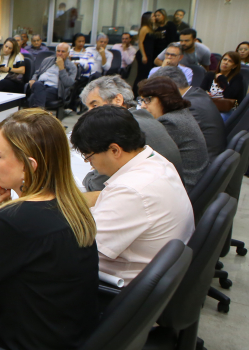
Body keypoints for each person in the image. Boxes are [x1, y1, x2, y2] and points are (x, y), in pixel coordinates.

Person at [0, 108, 98, 350]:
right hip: (66, 336)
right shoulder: (72, 203)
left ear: (29, 166)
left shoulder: (16, 221)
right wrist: (10, 200)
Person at [70, 105, 193, 284]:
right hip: (159, 276)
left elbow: (78, 248)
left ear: (114, 150)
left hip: (117, 287)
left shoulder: (131, 191)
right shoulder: (156, 161)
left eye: (90, 157)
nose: (90, 165)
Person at [79, 75, 183, 191]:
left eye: (95, 106)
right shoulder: (144, 117)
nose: (89, 113)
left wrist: (89, 176)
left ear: (118, 100)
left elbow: (97, 185)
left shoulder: (121, 128)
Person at [138, 77, 209, 191]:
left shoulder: (170, 122)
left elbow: (143, 156)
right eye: (142, 100)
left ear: (164, 98)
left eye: (148, 100)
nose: (142, 106)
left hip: (183, 187)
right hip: (192, 182)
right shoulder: (180, 114)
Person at [151, 64, 226, 163]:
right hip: (212, 156)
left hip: (201, 164)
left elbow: (165, 142)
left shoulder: (188, 106)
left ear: (170, 86)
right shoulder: (197, 93)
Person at [27, 43, 76, 109]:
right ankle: (40, 111)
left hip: (54, 90)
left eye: (63, 51)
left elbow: (68, 83)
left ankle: (37, 111)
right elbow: (37, 73)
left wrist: (61, 68)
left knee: (33, 97)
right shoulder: (47, 60)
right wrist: (33, 79)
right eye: (58, 51)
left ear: (68, 53)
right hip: (40, 84)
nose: (60, 53)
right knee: (38, 84)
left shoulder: (72, 67)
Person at [201, 51, 246, 121]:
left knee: (218, 118)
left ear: (234, 66)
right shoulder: (210, 75)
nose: (226, 62)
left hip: (226, 109)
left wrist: (222, 79)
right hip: (209, 106)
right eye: (224, 59)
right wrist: (206, 93)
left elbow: (229, 95)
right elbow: (200, 90)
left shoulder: (237, 78)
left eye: (230, 61)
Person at [133, 12, 155, 95]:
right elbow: (140, 42)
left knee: (146, 74)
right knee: (141, 75)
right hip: (144, 54)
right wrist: (144, 55)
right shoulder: (144, 28)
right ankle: (136, 93)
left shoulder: (151, 28)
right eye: (152, 16)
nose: (154, 18)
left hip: (149, 53)